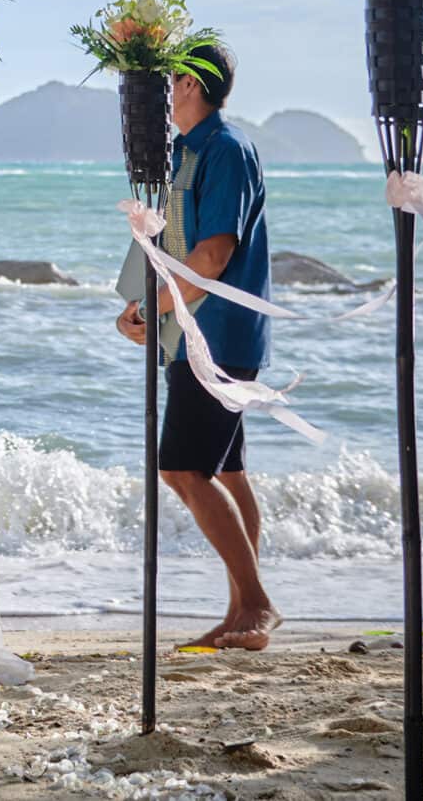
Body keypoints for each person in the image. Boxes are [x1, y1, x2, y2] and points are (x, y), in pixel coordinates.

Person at [113, 40, 281, 651]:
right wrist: (139, 308)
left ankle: (258, 604)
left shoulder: (227, 150)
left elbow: (213, 254)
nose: (162, 93)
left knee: (181, 467)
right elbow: (175, 247)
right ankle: (242, 611)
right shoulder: (184, 153)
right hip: (192, 333)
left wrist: (154, 309)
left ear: (187, 84)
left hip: (219, 335)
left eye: (168, 81)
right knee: (227, 470)